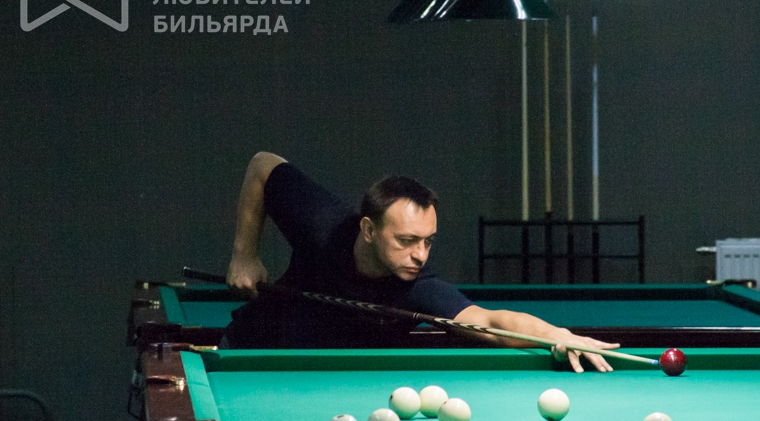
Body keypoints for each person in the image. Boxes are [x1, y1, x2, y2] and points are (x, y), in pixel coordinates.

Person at [222, 152, 619, 373]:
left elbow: (490, 321)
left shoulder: (416, 286)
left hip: (328, 378)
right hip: (250, 352)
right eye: (407, 241)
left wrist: (556, 334)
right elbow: (262, 166)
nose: (421, 255)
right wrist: (244, 255)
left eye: (428, 241)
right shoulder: (323, 224)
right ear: (369, 229)